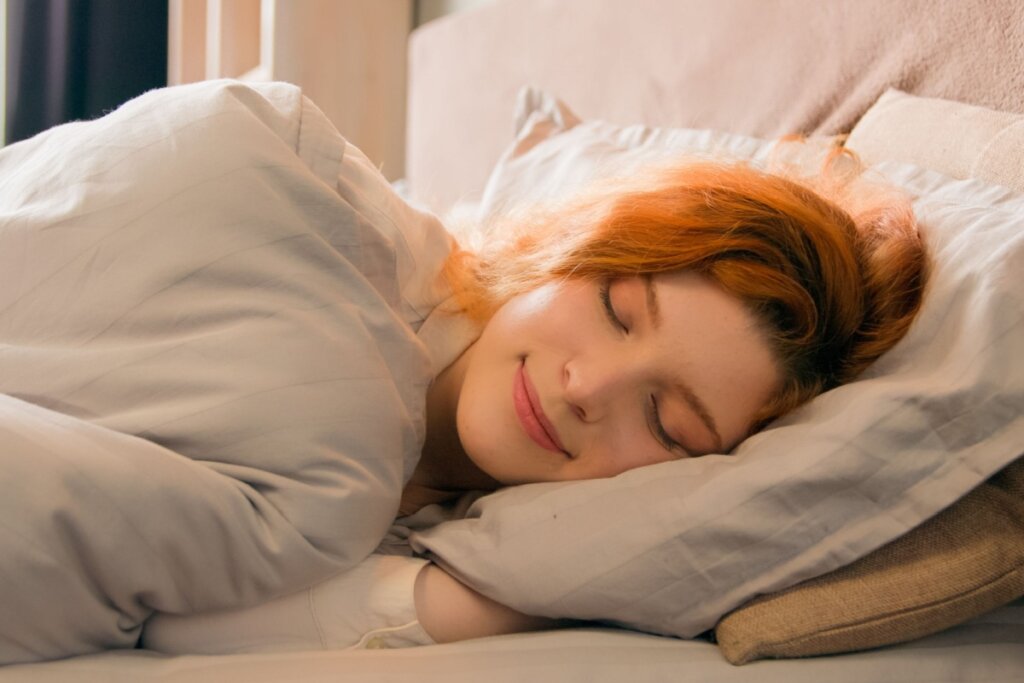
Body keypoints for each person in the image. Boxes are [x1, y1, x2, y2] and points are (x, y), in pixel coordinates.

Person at [0, 81, 927, 661]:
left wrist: (500, 598)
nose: (586, 386)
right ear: (569, 251)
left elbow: (191, 623)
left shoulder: (434, 528)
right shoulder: (311, 203)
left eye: (669, 423)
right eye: (614, 308)